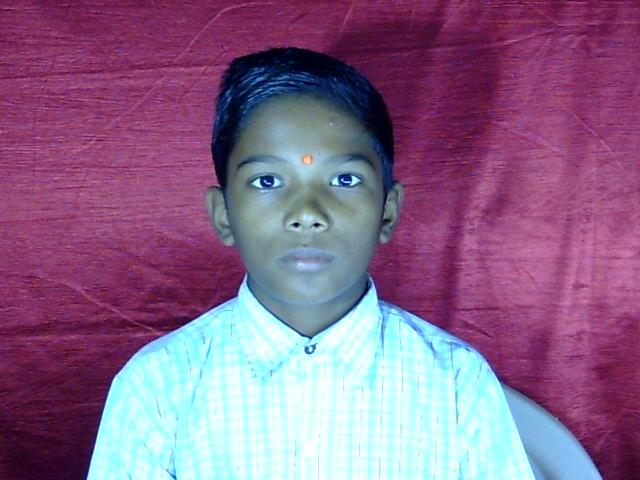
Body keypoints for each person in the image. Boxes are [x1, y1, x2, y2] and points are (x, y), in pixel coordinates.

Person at [87, 47, 534, 479]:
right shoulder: (158, 387)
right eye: (267, 181)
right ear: (223, 215)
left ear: (388, 210)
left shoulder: (456, 383)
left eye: (344, 179)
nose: (306, 213)